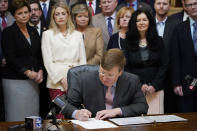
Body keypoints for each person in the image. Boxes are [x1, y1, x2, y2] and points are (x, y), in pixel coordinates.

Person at [62, 48, 148, 121]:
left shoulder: (131, 80)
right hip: (93, 125)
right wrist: (77, 113)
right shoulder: (84, 78)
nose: (104, 78)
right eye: (102, 72)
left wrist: (118, 110)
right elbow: (68, 106)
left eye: (110, 75)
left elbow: (142, 106)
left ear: (120, 72)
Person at [1, 0, 43, 121]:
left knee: (32, 116)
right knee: (17, 116)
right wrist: (28, 72)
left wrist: (40, 70)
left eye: (26, 12)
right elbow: (10, 58)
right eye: (20, 13)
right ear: (14, 15)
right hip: (14, 80)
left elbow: (38, 54)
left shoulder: (33, 30)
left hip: (34, 80)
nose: (24, 15)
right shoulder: (8, 32)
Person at [41, 2, 86, 107]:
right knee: (60, 114)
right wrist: (62, 79)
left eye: (63, 13)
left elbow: (83, 60)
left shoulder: (78, 35)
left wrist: (77, 80)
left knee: (76, 114)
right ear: (53, 17)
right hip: (56, 82)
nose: (60, 16)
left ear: (68, 15)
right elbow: (48, 61)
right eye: (57, 14)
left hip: (76, 80)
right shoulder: (47, 35)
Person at [125, 9, 168, 114]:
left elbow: (164, 65)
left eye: (144, 19)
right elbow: (126, 67)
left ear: (150, 22)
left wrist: (154, 85)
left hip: (156, 90)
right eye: (138, 20)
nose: (141, 23)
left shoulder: (159, 40)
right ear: (134, 23)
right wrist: (139, 85)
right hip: (136, 90)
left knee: (156, 124)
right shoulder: (127, 42)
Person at [170, 0, 197, 112]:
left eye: (195, 3)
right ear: (185, 7)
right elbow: (175, 58)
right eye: (189, 5)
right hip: (187, 83)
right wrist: (176, 83)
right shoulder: (179, 29)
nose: (193, 7)